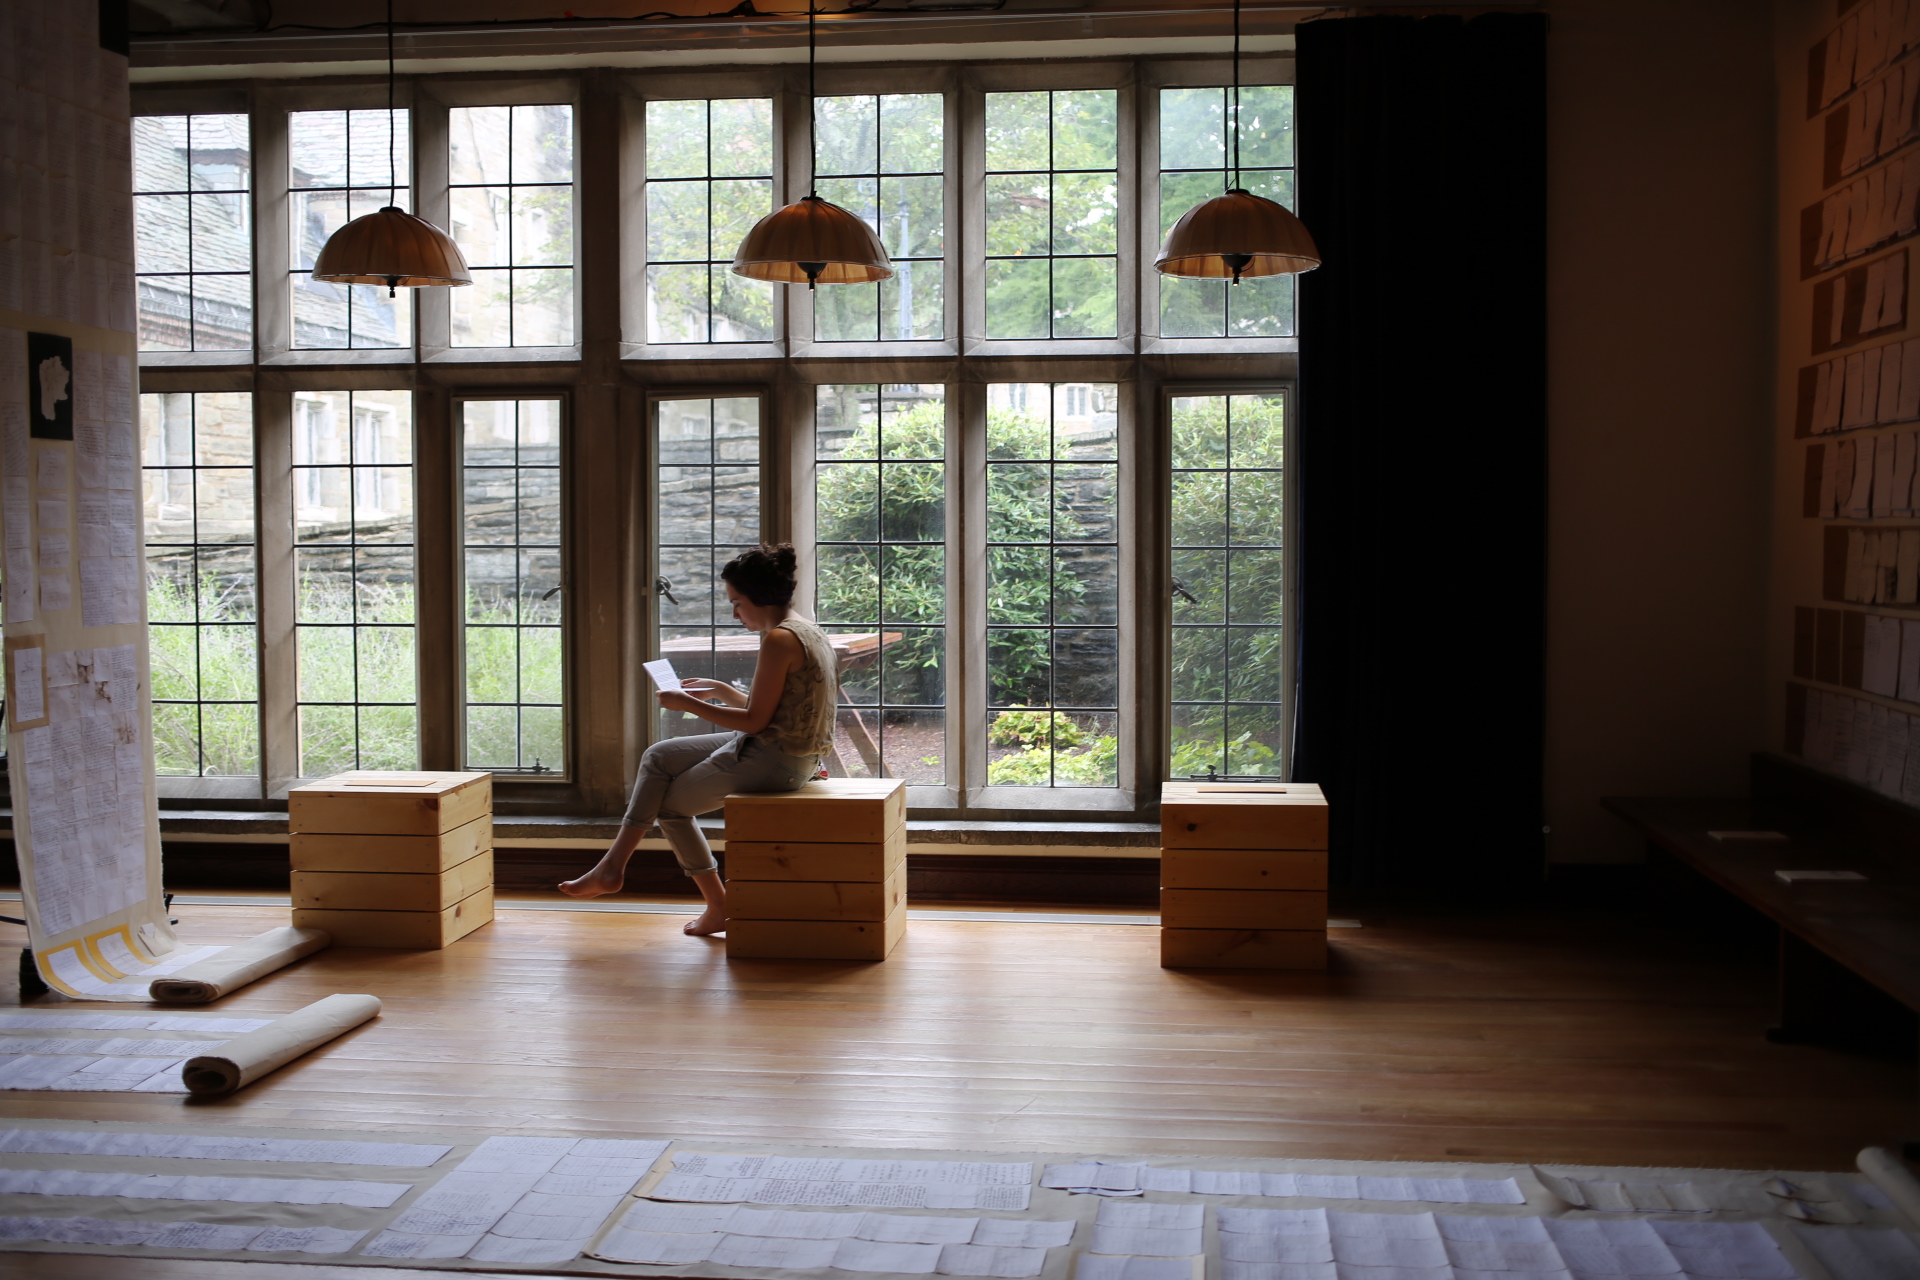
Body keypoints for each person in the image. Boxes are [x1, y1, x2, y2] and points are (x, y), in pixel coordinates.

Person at [559, 544, 838, 936]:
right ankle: (612, 867)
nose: (735, 613)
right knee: (659, 756)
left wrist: (685, 704)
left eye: (737, 603)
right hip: (792, 751)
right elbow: (777, 709)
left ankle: (717, 904)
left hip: (778, 758)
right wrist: (721, 690)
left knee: (671, 808)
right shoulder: (805, 629)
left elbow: (756, 722)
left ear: (757, 597)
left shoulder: (778, 639)